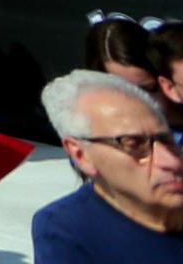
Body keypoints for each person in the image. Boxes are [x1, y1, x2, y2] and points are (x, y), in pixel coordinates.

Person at [38, 72, 183, 264]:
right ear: (81, 155)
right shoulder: (69, 229)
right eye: (133, 144)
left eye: (168, 140)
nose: (171, 162)